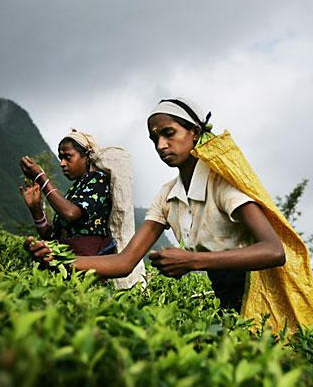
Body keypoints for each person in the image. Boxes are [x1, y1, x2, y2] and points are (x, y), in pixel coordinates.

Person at [27, 98, 285, 311]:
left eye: (169, 133)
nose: (161, 145)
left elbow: (274, 251)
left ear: (194, 132)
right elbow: (124, 263)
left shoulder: (222, 185)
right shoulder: (167, 196)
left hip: (262, 301)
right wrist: (59, 261)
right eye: (154, 139)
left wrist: (193, 261)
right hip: (228, 303)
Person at [19, 129, 114, 256]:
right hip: (69, 258)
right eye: (61, 158)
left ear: (86, 157)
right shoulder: (72, 192)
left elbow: (71, 213)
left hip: (89, 261)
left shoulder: (98, 179)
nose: (62, 163)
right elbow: (51, 236)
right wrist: (35, 209)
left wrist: (41, 178)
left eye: (67, 157)